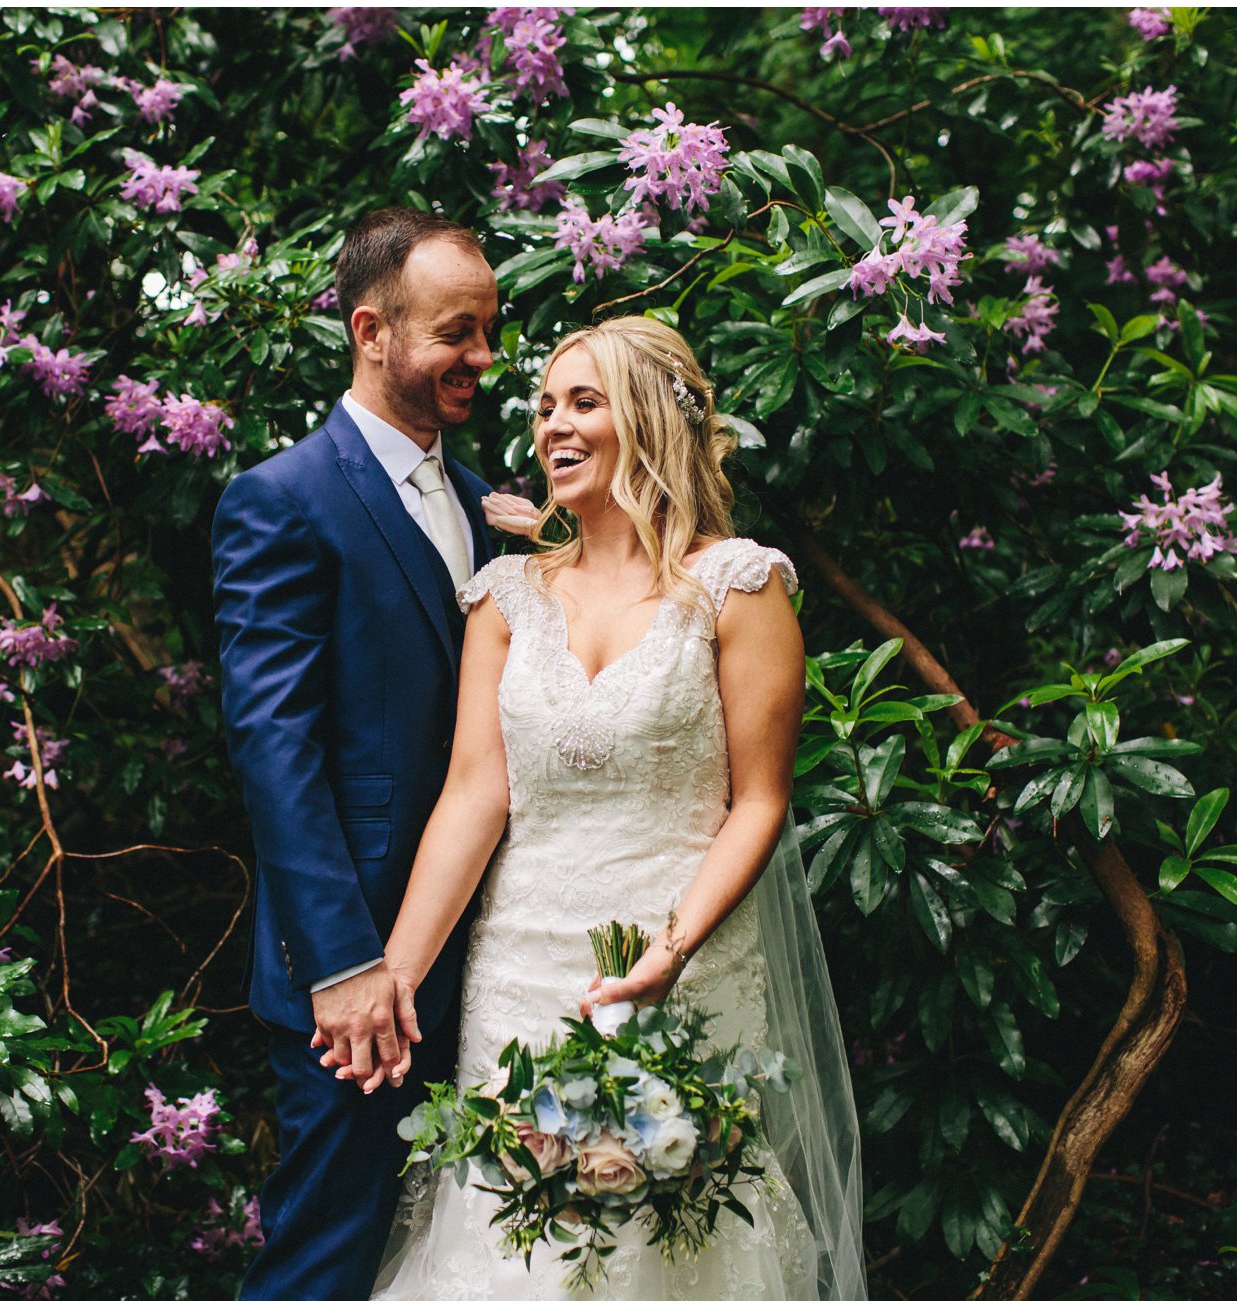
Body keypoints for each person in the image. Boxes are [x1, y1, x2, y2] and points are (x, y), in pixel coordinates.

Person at [359, 316, 868, 1299]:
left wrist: (666, 957)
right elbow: (475, 793)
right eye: (545, 406)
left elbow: (758, 802)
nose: (553, 425)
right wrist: (399, 974)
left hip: (681, 962)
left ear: (647, 420)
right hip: (520, 972)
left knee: (666, 1248)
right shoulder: (505, 595)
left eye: (583, 402)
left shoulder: (737, 587)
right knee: (516, 1243)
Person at [212, 206, 523, 1300]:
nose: (482, 359)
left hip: (502, 961)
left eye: (488, 331)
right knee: (326, 1263)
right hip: (362, 986)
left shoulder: (495, 502)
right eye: (455, 333)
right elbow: (273, 749)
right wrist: (343, 969)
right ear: (370, 330)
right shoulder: (281, 502)